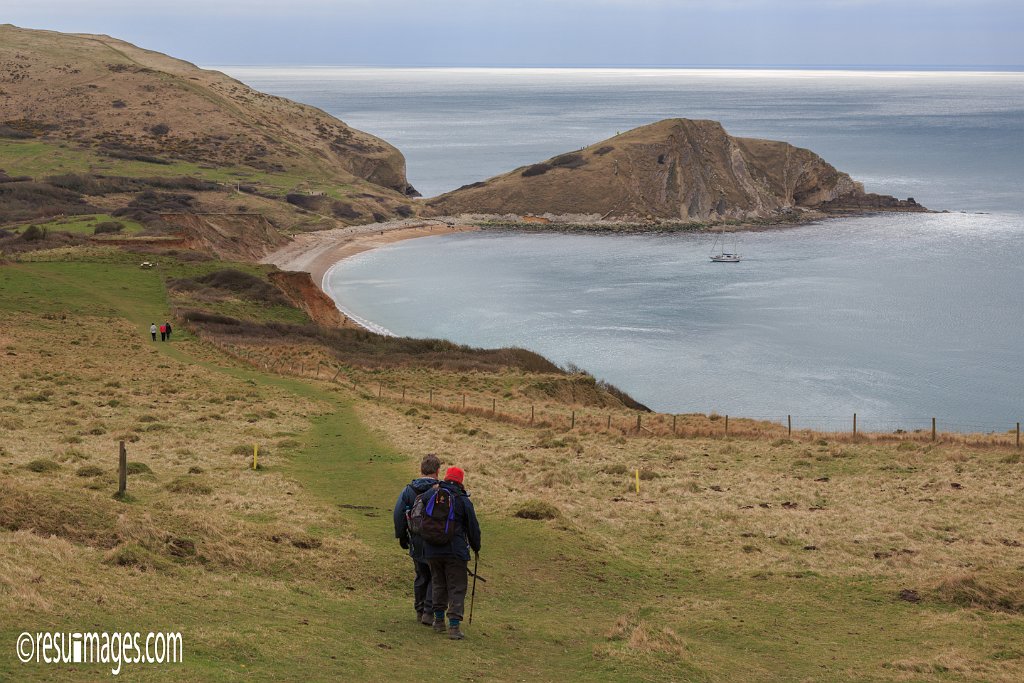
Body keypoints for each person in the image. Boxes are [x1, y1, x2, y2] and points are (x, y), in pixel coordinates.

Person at [424, 466, 481, 640]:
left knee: (438, 583)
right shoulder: (463, 500)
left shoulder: (430, 495)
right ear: (460, 481)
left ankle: (438, 621)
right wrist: (476, 547)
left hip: (432, 549)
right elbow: (473, 527)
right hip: (455, 551)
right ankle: (454, 627)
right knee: (457, 586)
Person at [393, 454, 441, 626]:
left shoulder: (409, 490)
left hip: (416, 540)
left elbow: (398, 514)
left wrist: (402, 536)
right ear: (437, 471)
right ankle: (429, 611)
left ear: (421, 470)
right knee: (435, 576)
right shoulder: (440, 490)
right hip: (436, 541)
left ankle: (420, 610)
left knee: (421, 575)